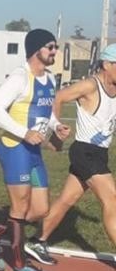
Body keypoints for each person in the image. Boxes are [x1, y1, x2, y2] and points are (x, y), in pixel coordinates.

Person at [0, 29, 70, 271]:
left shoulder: (49, 79)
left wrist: (55, 126)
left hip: (33, 152)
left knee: (40, 209)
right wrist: (24, 132)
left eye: (55, 47)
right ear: (36, 50)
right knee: (19, 207)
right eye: (50, 47)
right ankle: (19, 264)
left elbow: (44, 111)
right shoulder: (20, 78)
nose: (54, 51)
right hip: (14, 148)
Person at [26, 44, 116, 258]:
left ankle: (37, 241)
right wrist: (55, 132)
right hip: (85, 152)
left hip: (99, 153)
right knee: (112, 200)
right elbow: (58, 97)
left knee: (67, 199)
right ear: (107, 64)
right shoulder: (90, 86)